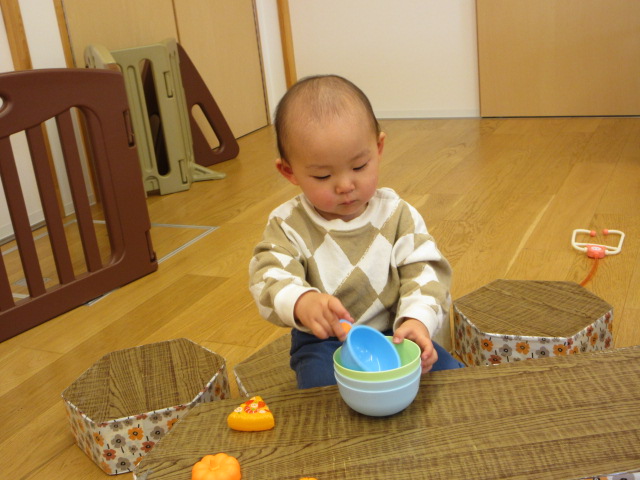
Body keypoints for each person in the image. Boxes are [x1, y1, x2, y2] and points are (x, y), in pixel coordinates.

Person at [249, 74, 464, 389]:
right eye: (322, 176)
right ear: (289, 171)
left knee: (450, 376)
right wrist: (301, 301)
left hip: (395, 334)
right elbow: (267, 276)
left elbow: (426, 272)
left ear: (378, 148)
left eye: (359, 167)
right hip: (325, 343)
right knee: (321, 391)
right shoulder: (288, 224)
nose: (345, 185)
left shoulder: (397, 215)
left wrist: (417, 320)